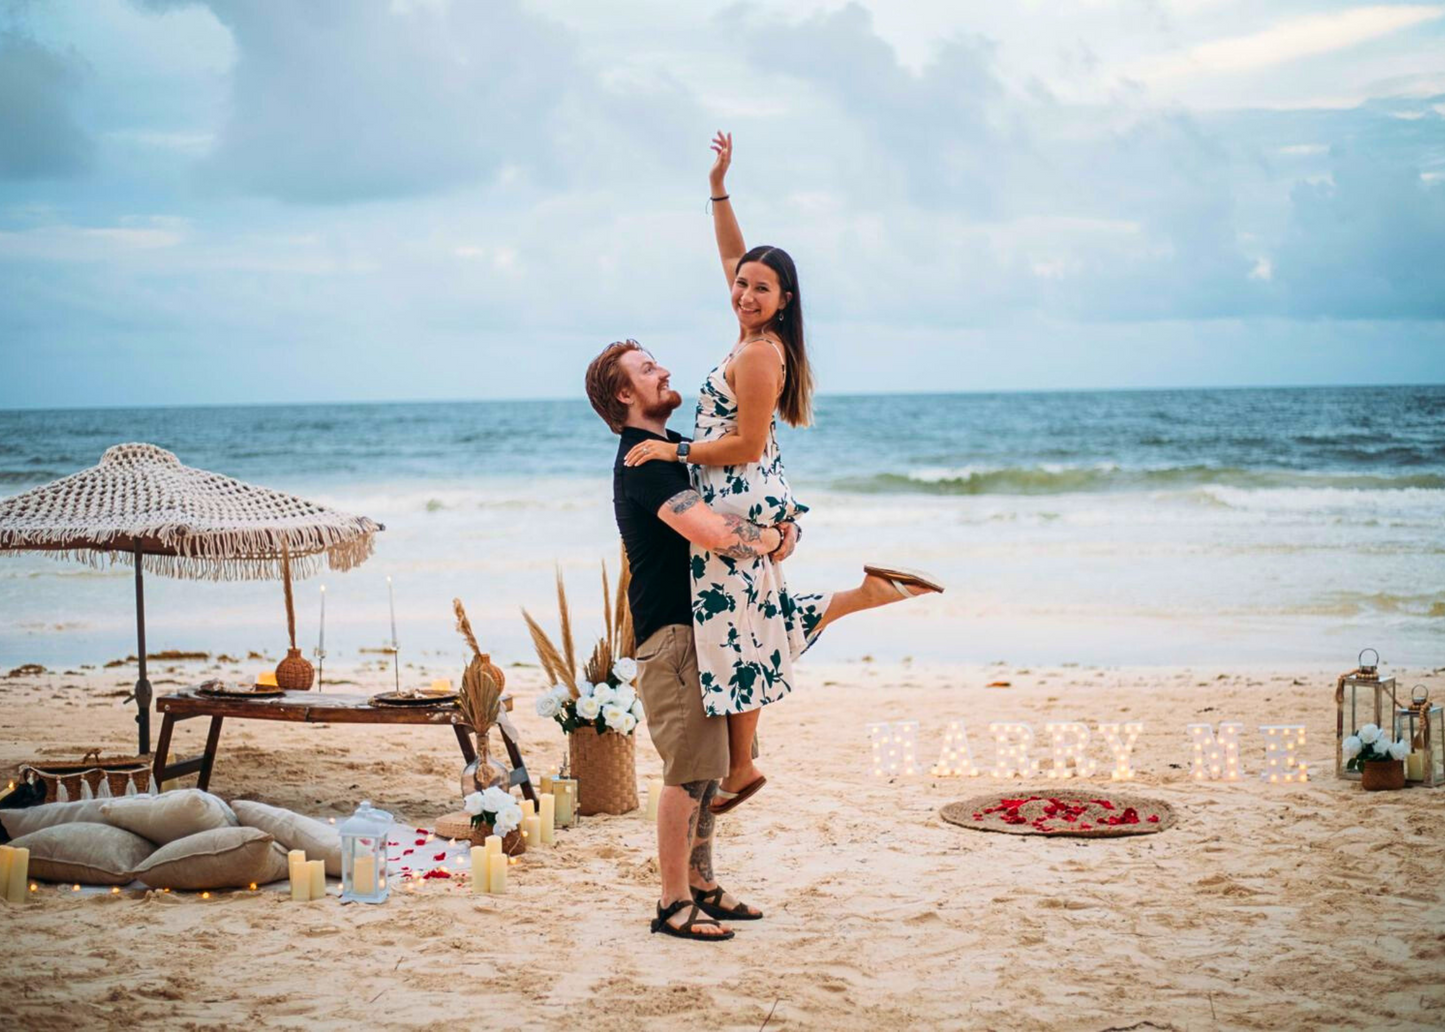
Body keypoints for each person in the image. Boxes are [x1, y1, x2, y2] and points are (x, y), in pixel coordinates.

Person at [623, 131, 943, 815]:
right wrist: (717, 187)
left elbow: (742, 444)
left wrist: (674, 452)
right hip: (752, 501)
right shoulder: (749, 332)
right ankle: (863, 596)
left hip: (737, 497)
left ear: (784, 300)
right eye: (740, 283)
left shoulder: (762, 354)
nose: (742, 291)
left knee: (735, 634)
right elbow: (731, 253)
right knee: (755, 622)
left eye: (758, 287)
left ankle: (740, 768)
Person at [587, 339, 782, 941]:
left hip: (699, 630)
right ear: (625, 395)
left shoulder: (671, 455)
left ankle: (702, 883)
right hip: (670, 637)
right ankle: (672, 902)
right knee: (688, 771)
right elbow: (710, 531)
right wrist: (776, 538)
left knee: (710, 768)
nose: (665, 370)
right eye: (648, 369)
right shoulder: (642, 463)